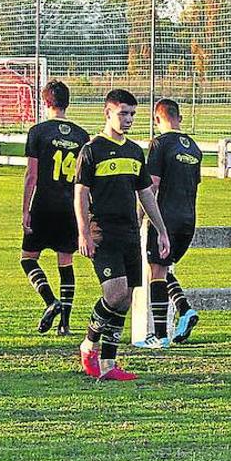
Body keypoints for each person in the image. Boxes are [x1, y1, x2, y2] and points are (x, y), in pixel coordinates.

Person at [74, 89, 171, 381]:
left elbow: (146, 194)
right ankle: (88, 344)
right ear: (108, 113)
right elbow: (80, 194)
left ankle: (108, 364)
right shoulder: (91, 150)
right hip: (102, 233)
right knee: (114, 294)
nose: (128, 120)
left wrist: (161, 230)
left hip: (130, 233)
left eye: (132, 114)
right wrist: (83, 233)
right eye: (122, 113)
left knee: (126, 299)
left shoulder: (133, 151)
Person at [22, 80, 90, 335]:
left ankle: (51, 301)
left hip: (44, 204)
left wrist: (25, 209)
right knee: (65, 261)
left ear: (45, 102)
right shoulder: (81, 135)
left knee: (28, 259)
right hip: (71, 205)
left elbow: (32, 175)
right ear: (67, 103)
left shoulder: (38, 132)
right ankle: (65, 325)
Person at [135, 98, 203, 348]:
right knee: (164, 269)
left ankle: (160, 336)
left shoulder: (160, 144)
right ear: (180, 118)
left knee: (156, 272)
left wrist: (140, 217)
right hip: (188, 219)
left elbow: (152, 185)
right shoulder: (193, 147)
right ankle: (184, 310)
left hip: (165, 217)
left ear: (156, 119)